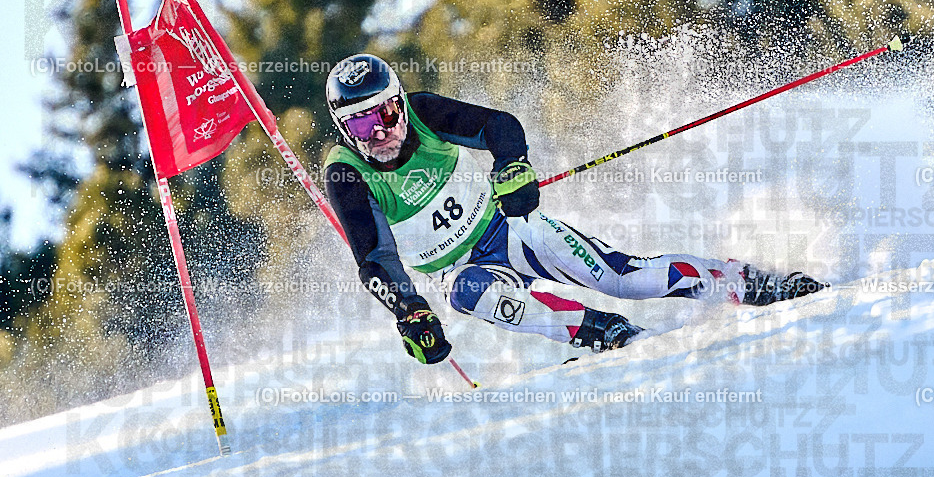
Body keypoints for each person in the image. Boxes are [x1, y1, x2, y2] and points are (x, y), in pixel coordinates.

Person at [323, 54, 827, 364]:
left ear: (399, 103)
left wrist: (511, 167)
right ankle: (605, 333)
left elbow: (499, 126)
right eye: (364, 125)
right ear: (344, 130)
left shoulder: (424, 111)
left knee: (623, 278)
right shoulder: (346, 173)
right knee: (468, 293)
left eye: (387, 112)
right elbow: (376, 258)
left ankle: (756, 284)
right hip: (458, 267)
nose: (383, 130)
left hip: (511, 229)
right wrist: (409, 311)